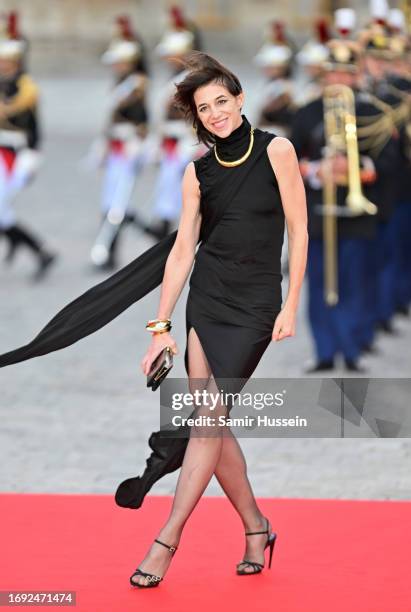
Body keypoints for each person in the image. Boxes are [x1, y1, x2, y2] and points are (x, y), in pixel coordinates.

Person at [0, 51, 308, 586]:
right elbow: (183, 251)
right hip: (207, 301)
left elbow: (300, 232)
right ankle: (256, 526)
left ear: (240, 99)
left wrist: (291, 304)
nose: (215, 114)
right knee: (212, 421)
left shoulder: (277, 150)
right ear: (195, 117)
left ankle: (166, 540)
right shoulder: (197, 172)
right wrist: (161, 326)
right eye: (203, 108)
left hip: (257, 301)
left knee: (209, 420)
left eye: (221, 102)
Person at [88, 34, 149, 271]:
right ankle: (114, 250)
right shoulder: (121, 83)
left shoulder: (137, 84)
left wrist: (139, 142)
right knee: (110, 202)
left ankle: (109, 252)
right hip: (116, 146)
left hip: (129, 145)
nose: (116, 66)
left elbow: (141, 118)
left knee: (118, 203)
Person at [0, 37, 57, 281]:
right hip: (1, 152)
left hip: (18, 153)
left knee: (2, 212)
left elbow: (33, 126)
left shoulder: (26, 87)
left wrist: (33, 155)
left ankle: (40, 251)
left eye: (6, 61)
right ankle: (37, 251)